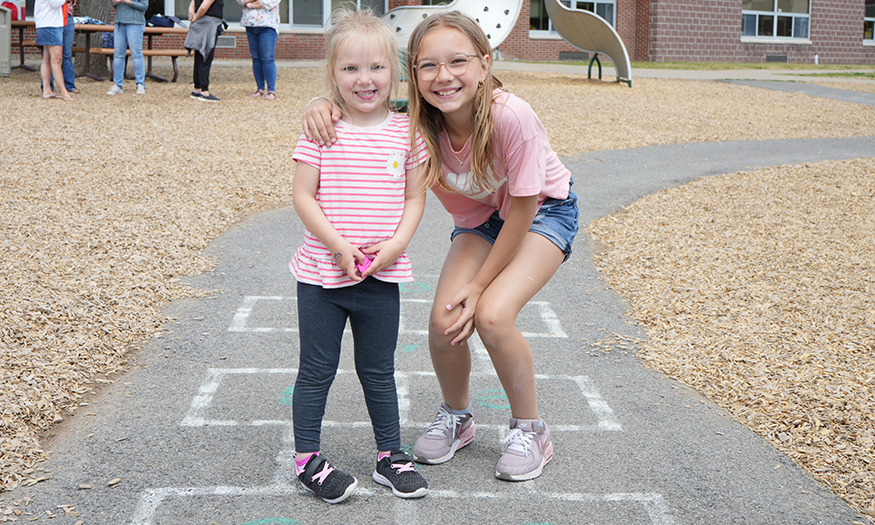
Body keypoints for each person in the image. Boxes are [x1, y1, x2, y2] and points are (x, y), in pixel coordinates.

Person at [302, 10, 580, 482]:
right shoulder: (416, 125)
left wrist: (478, 284)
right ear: (411, 74)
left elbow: (523, 209)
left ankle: (531, 428)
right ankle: (458, 416)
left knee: (490, 314)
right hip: (484, 222)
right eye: (427, 65)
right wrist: (318, 102)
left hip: (540, 213)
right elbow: (359, 108)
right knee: (443, 320)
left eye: (457, 62)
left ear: (484, 63)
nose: (443, 76)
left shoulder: (511, 115)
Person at [290, 7, 429, 504]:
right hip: (323, 275)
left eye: (376, 67)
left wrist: (394, 248)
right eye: (350, 68)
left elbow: (416, 198)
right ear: (333, 74)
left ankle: (389, 455)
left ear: (395, 73)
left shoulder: (408, 131)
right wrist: (340, 246)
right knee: (317, 368)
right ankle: (307, 457)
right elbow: (303, 195)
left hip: (381, 274)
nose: (364, 79)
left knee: (378, 369)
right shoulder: (322, 128)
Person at [237, 0, 279, 99]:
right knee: (256, 58)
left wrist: (250, 5)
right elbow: (240, 0)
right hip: (250, 24)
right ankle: (260, 88)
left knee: (267, 58)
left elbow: (269, 3)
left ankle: (271, 90)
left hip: (267, 25)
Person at [184, 0, 224, 101]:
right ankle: (204, 91)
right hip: (209, 25)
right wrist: (195, 17)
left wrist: (192, 14)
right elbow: (203, 7)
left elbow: (193, 3)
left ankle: (197, 89)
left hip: (199, 24)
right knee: (206, 57)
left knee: (199, 57)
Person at [107, 0, 147, 95]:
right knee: (118, 54)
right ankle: (118, 85)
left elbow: (144, 7)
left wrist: (126, 1)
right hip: (119, 22)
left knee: (136, 54)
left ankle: (140, 84)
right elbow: (115, 6)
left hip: (135, 23)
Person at [35, 0, 73, 101]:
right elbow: (55, 3)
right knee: (56, 59)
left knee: (47, 58)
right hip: (50, 23)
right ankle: (64, 92)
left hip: (47, 22)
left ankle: (47, 90)